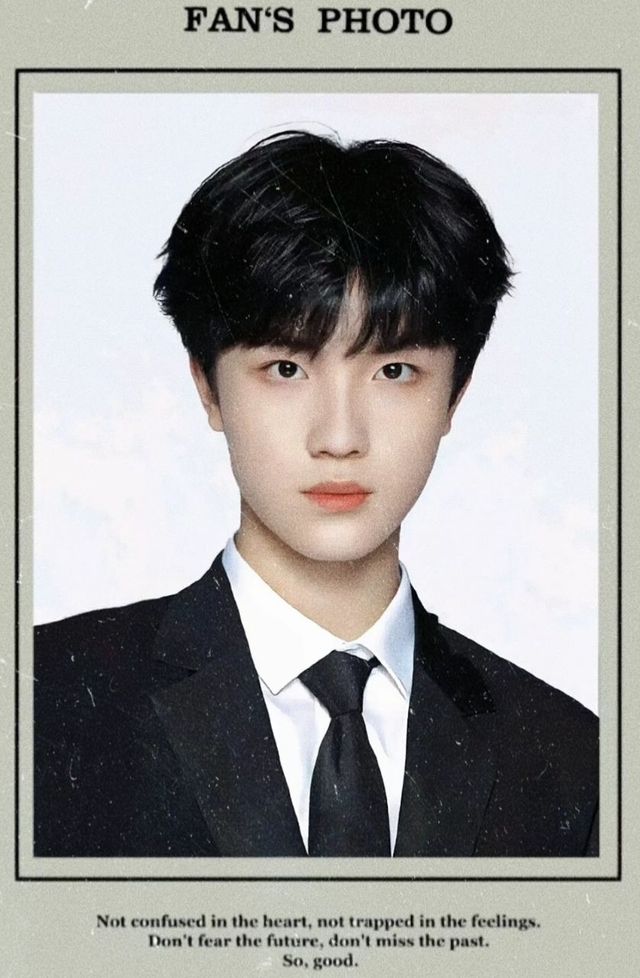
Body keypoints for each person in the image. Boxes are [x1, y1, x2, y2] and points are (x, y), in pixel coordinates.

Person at [34, 131, 598, 857]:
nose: (339, 437)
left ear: (455, 393)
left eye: (393, 371)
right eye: (286, 369)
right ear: (207, 385)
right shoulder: (42, 705)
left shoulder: (569, 760)